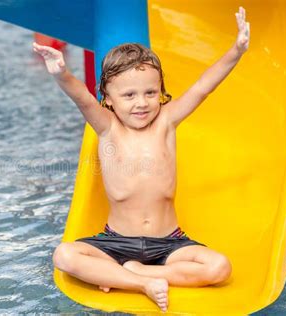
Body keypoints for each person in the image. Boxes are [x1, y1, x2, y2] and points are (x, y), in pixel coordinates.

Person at [33, 6, 250, 312]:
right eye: (129, 95)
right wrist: (61, 72)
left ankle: (138, 273)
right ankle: (141, 282)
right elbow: (81, 98)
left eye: (150, 92)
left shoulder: (166, 122)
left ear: (161, 91)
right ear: (107, 98)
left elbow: (203, 88)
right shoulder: (108, 128)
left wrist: (236, 50)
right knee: (64, 256)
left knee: (219, 268)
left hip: (170, 243)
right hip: (116, 242)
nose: (142, 103)